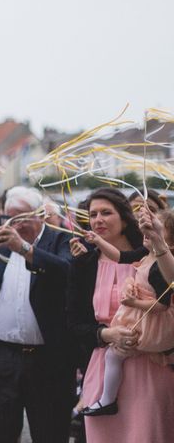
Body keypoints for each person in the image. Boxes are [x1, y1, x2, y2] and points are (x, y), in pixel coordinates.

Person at [0, 186, 76, 442]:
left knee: (50, 432)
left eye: (22, 217)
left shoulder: (59, 239)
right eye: (8, 217)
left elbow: (66, 272)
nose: (13, 224)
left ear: (41, 215)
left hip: (48, 359)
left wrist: (24, 248)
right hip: (2, 356)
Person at [66, 187, 174, 442]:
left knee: (145, 434)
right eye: (93, 214)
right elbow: (73, 323)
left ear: (125, 218)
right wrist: (107, 334)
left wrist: (158, 241)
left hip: (150, 365)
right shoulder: (84, 262)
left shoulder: (152, 254)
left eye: (106, 212)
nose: (98, 219)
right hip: (104, 364)